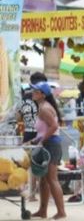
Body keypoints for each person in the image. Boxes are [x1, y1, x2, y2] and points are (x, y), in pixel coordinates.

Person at [28, 82, 66, 220]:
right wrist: (36, 140)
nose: (33, 92)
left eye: (36, 91)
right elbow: (46, 129)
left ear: (43, 94)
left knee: (51, 179)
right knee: (43, 179)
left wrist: (42, 140)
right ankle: (42, 210)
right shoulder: (43, 107)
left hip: (51, 145)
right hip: (48, 143)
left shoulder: (44, 108)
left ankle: (61, 212)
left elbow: (54, 126)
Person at [18, 72, 48, 201]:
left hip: (28, 133)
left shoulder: (24, 97)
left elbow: (18, 115)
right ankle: (40, 192)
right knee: (42, 164)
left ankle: (31, 193)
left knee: (30, 165)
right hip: (40, 133)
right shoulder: (42, 97)